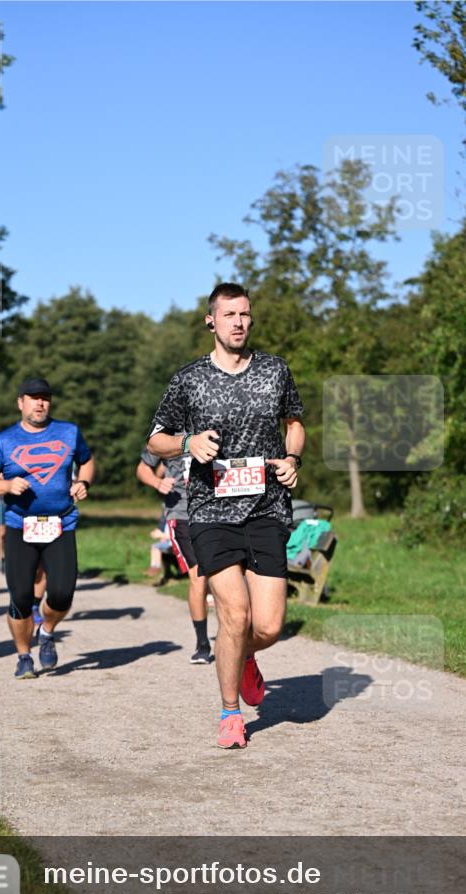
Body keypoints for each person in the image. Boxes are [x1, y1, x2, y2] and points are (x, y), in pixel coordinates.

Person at [147, 282, 305, 749]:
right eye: (230, 315)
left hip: (267, 507)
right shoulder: (190, 379)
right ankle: (230, 713)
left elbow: (294, 423)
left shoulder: (275, 371)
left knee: (268, 626)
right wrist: (185, 443)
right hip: (210, 510)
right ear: (211, 321)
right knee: (234, 615)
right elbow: (157, 437)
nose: (240, 323)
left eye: (246, 315)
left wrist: (292, 459)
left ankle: (245, 658)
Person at [0, 377, 95, 679]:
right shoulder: (3, 441)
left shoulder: (69, 432)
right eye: (33, 398)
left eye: (45, 398)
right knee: (20, 597)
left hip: (61, 523)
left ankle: (48, 630)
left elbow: (87, 461)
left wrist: (83, 482)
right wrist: (5, 484)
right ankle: (24, 656)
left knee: (62, 593)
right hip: (20, 525)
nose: (40, 403)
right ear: (20, 403)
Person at [136, 448, 213, 663]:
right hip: (181, 513)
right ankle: (202, 643)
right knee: (198, 577)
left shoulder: (217, 422)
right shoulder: (166, 429)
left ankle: (234, 637)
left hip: (218, 511)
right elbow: (142, 468)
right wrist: (156, 482)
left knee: (223, 574)